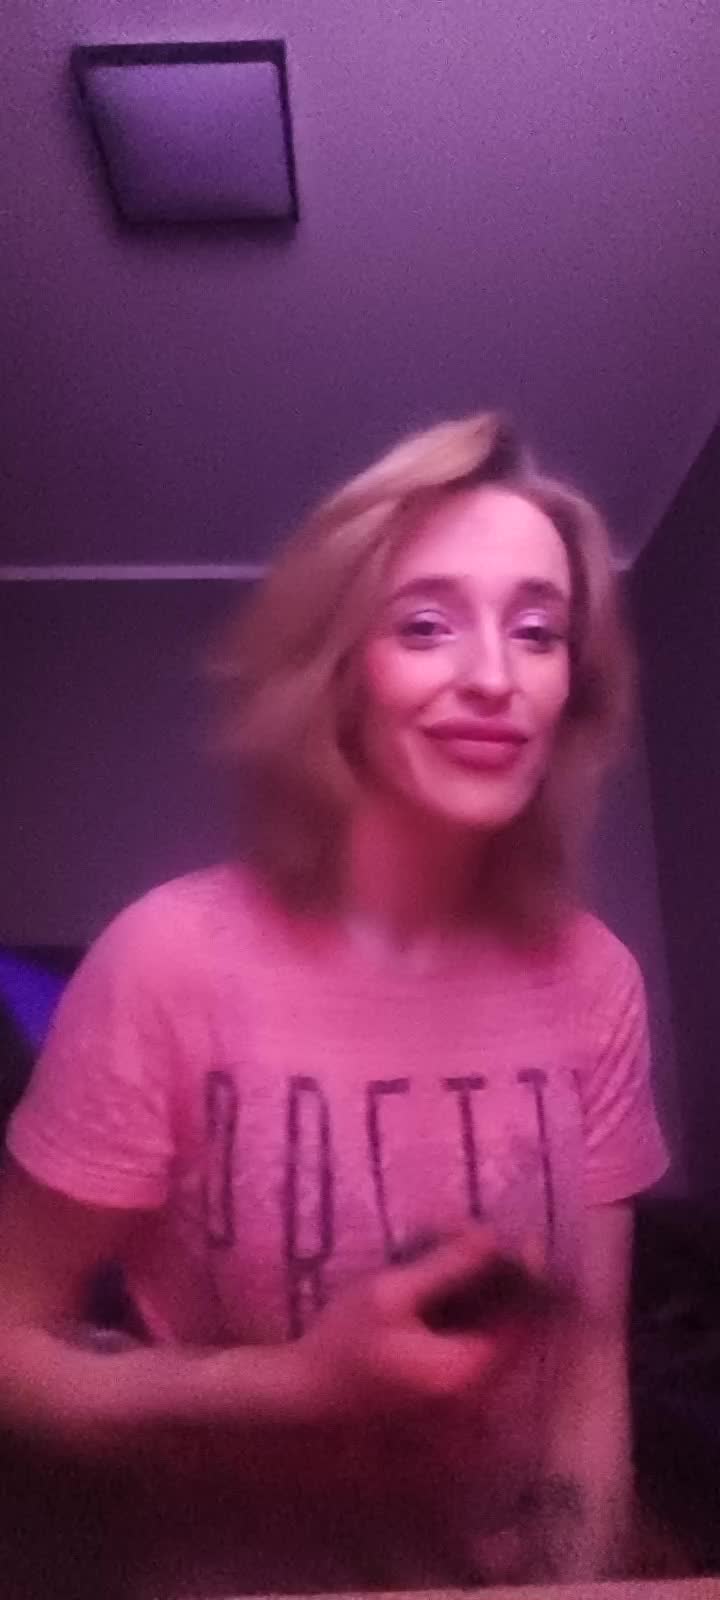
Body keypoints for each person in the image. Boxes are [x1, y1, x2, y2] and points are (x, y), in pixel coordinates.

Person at [0, 412, 668, 1592]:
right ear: (339, 670)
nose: (494, 677)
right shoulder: (166, 963)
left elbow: (587, 1358)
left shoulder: (597, 980)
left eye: (538, 630)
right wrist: (296, 1383)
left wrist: (577, 1581)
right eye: (425, 625)